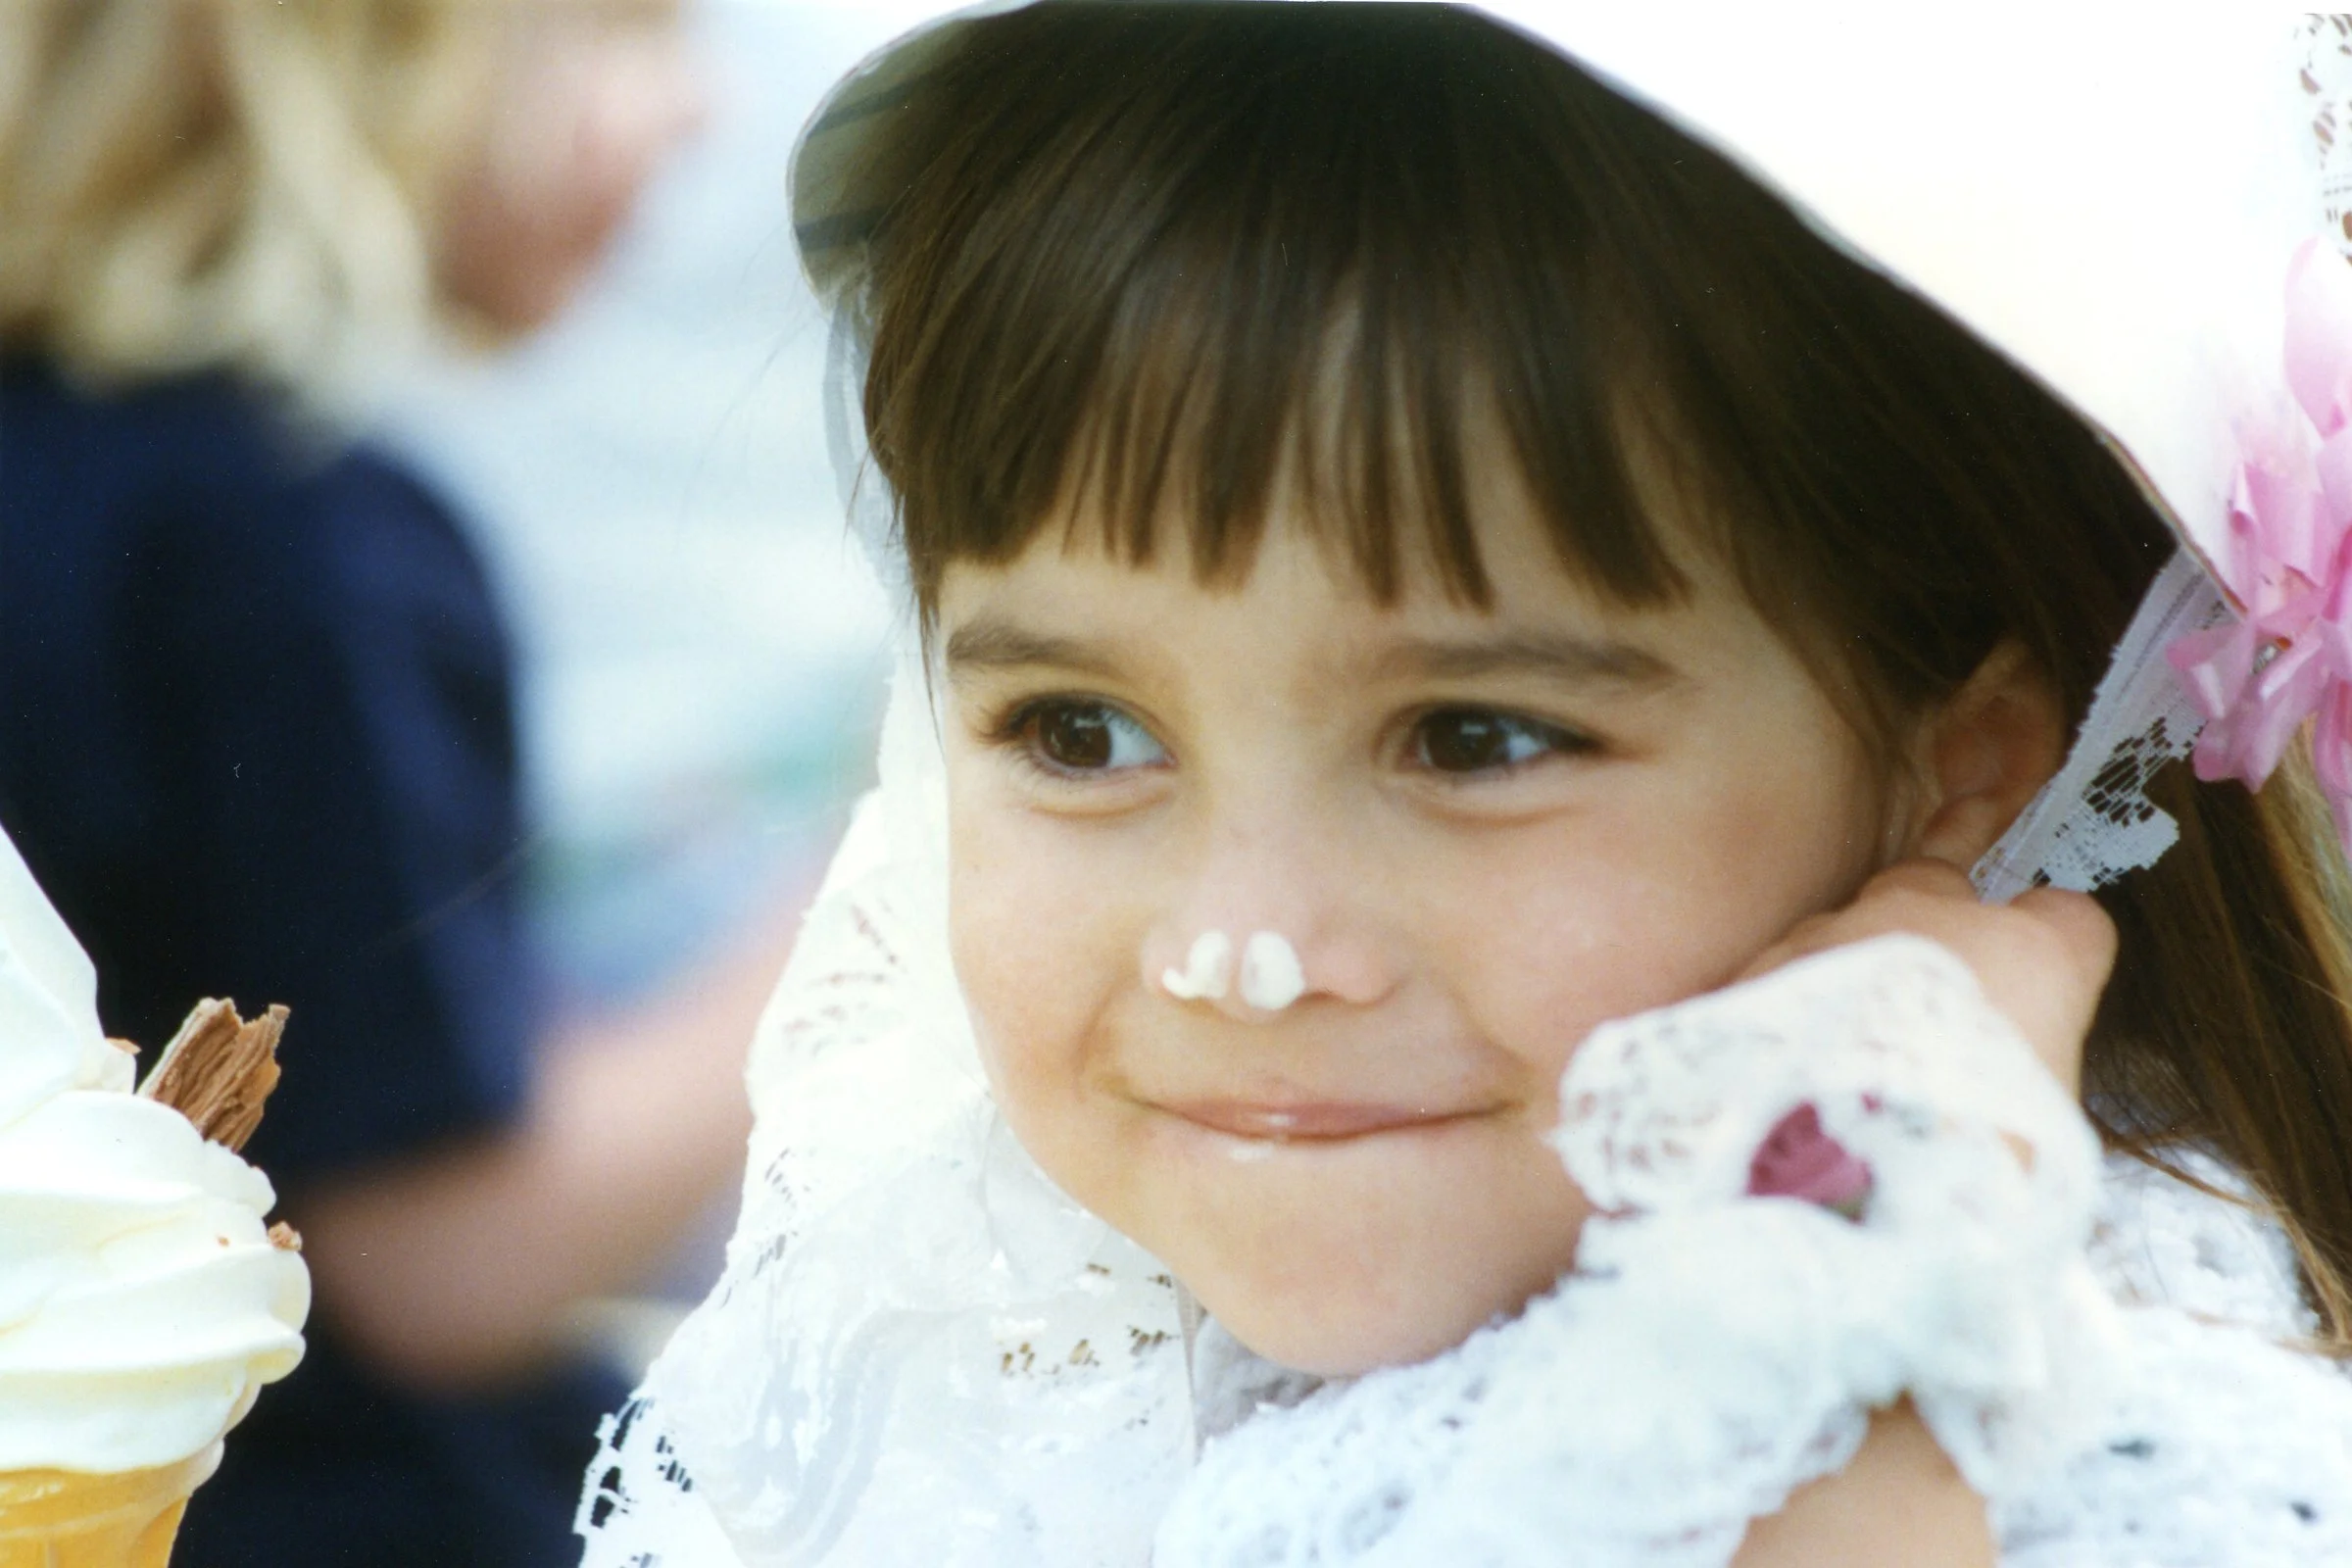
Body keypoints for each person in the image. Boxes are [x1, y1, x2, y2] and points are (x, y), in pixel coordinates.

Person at [578, 7, 2352, 1565]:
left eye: (1473, 740)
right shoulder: (1002, 1402)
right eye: (1079, 733)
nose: (1241, 953)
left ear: (1960, 771)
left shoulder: (2135, 1467)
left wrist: (1855, 1304)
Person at [0, 3, 771, 1564]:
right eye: (619, 26)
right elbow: (447, 1270)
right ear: (360, 50)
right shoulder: (309, 548)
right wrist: (878, 885)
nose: (691, 110)